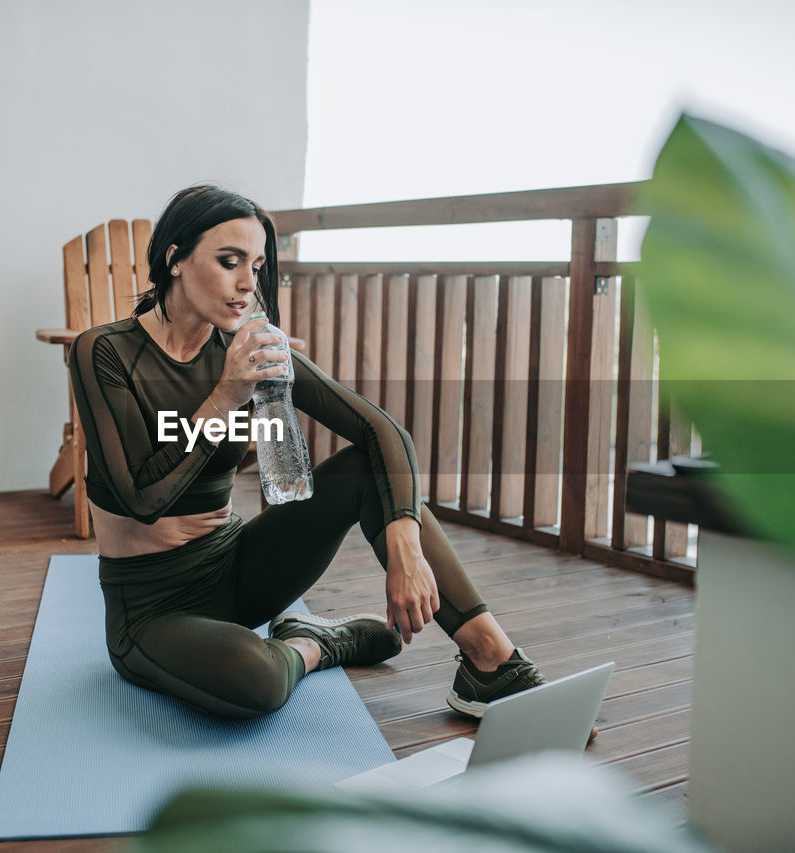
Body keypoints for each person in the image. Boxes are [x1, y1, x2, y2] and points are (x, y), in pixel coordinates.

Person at [69, 184, 561, 722]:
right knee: (256, 681)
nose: (245, 285)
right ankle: (317, 644)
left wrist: (404, 539)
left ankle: (493, 663)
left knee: (365, 474)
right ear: (175, 259)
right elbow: (142, 496)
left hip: (238, 569)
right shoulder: (105, 352)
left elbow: (382, 432)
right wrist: (227, 395)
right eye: (229, 261)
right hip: (151, 607)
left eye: (255, 267)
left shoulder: (248, 347)